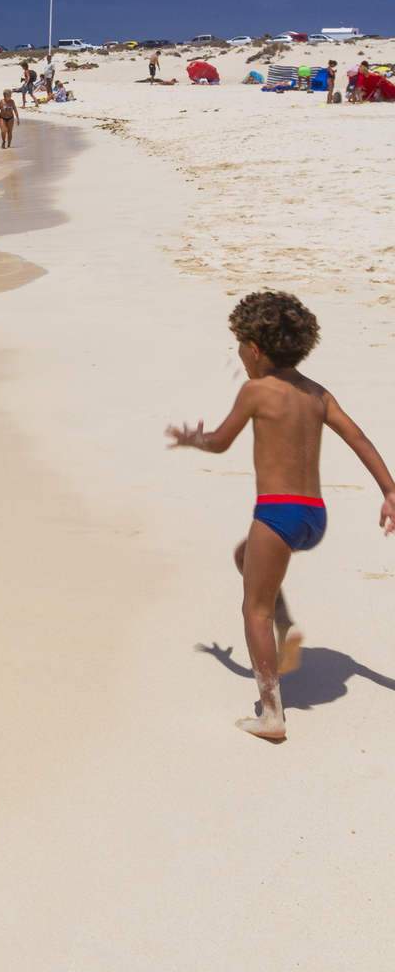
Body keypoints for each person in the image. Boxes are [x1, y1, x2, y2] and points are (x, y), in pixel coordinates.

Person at [167, 290, 395, 743]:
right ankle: (283, 618)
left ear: (254, 349)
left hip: (276, 513)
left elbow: (220, 443)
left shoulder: (255, 390)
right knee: (244, 555)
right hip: (313, 517)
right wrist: (390, 490)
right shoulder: (317, 393)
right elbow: (361, 439)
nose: (240, 356)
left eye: (240, 347)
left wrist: (196, 440)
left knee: (252, 610)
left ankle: (271, 714)